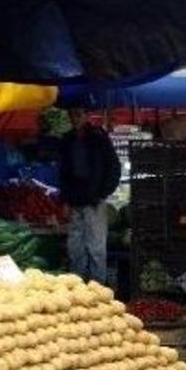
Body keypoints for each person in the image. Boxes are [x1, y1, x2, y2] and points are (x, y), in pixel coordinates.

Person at [60, 109, 121, 284]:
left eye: (78, 115)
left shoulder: (98, 138)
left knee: (96, 247)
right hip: (75, 201)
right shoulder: (67, 140)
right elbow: (63, 172)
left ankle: (97, 287)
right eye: (72, 115)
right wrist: (65, 199)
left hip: (94, 201)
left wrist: (101, 194)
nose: (75, 119)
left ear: (86, 116)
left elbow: (114, 168)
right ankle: (78, 285)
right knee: (75, 246)